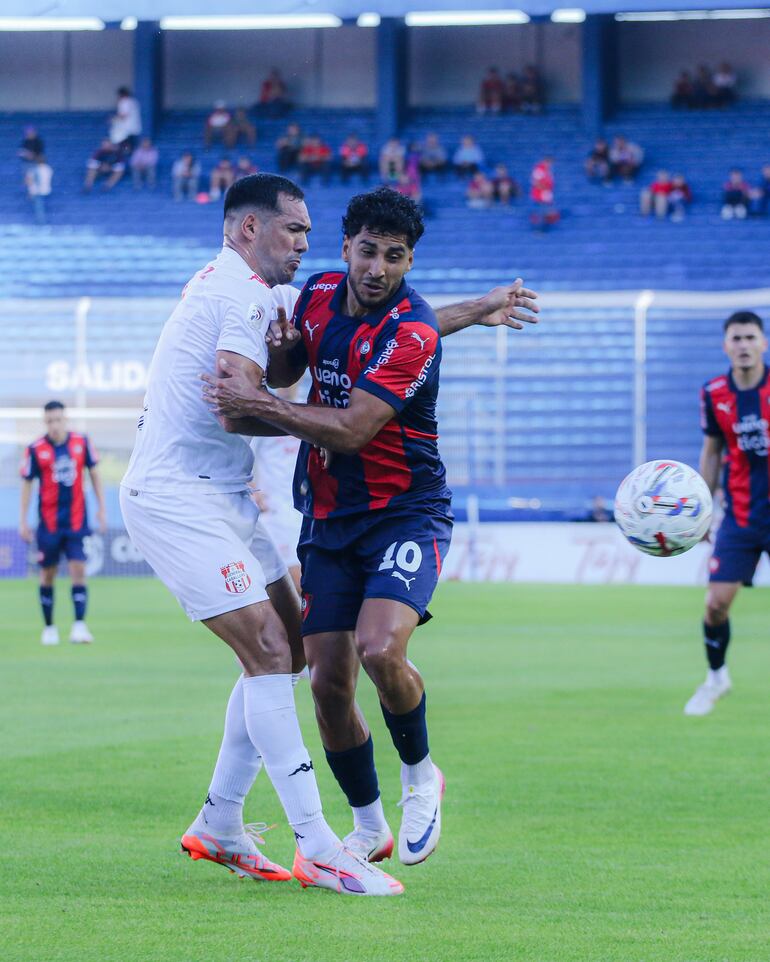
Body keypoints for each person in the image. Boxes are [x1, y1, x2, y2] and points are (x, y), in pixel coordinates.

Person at [202, 186, 539, 868]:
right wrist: (284, 357)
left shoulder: (413, 335)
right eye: (367, 251)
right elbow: (303, 359)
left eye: (395, 256)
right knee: (327, 684)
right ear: (345, 248)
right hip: (327, 520)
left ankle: (421, 778)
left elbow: (354, 428)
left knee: (380, 649)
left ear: (410, 260)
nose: (378, 267)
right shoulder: (319, 291)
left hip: (405, 513)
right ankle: (367, 826)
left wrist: (260, 402)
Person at [120, 173, 404, 896]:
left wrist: (478, 311)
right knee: (271, 650)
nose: (306, 245)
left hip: (221, 495)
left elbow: (396, 314)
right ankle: (319, 844)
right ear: (249, 229)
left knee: (293, 642)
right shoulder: (237, 294)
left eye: (310, 233)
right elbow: (234, 409)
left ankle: (219, 824)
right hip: (176, 496)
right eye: (295, 231)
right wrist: (332, 420)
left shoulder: (247, 288)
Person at [685, 312, 770, 716]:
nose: (743, 344)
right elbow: (712, 451)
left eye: (750, 337)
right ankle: (716, 677)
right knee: (715, 604)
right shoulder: (713, 392)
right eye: (735, 338)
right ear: (725, 346)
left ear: (763, 343)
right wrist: (704, 507)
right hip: (740, 514)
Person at [20, 400, 106, 646]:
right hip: (48, 524)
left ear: (65, 419)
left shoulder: (82, 443)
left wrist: (101, 509)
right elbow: (27, 484)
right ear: (45, 422)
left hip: (77, 520)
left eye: (58, 420)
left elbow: (95, 474)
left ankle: (79, 626)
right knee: (47, 573)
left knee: (78, 569)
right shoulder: (36, 449)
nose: (54, 425)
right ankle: (49, 628)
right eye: (50, 421)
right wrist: (23, 520)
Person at [249, 384, 304, 595]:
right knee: (292, 581)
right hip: (278, 510)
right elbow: (245, 459)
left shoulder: (311, 410)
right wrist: (254, 490)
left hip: (306, 508)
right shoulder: (266, 413)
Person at [109, 86, 142, 152]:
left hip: (126, 131)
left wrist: (113, 119)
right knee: (131, 149)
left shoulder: (125, 102)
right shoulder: (133, 101)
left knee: (124, 149)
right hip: (134, 129)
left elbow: (123, 115)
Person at [530, 156, 558, 230]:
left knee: (549, 213)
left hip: (546, 196)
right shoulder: (539, 169)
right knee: (541, 213)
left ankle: (544, 228)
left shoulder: (547, 170)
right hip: (540, 196)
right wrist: (545, 188)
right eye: (549, 162)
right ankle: (539, 229)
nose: (550, 165)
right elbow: (535, 182)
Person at [25, 155, 53, 225]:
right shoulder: (48, 169)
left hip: (38, 191)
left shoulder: (34, 169)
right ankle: (42, 221)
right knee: (42, 207)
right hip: (46, 190)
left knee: (39, 208)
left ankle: (41, 222)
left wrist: (31, 191)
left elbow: (31, 181)